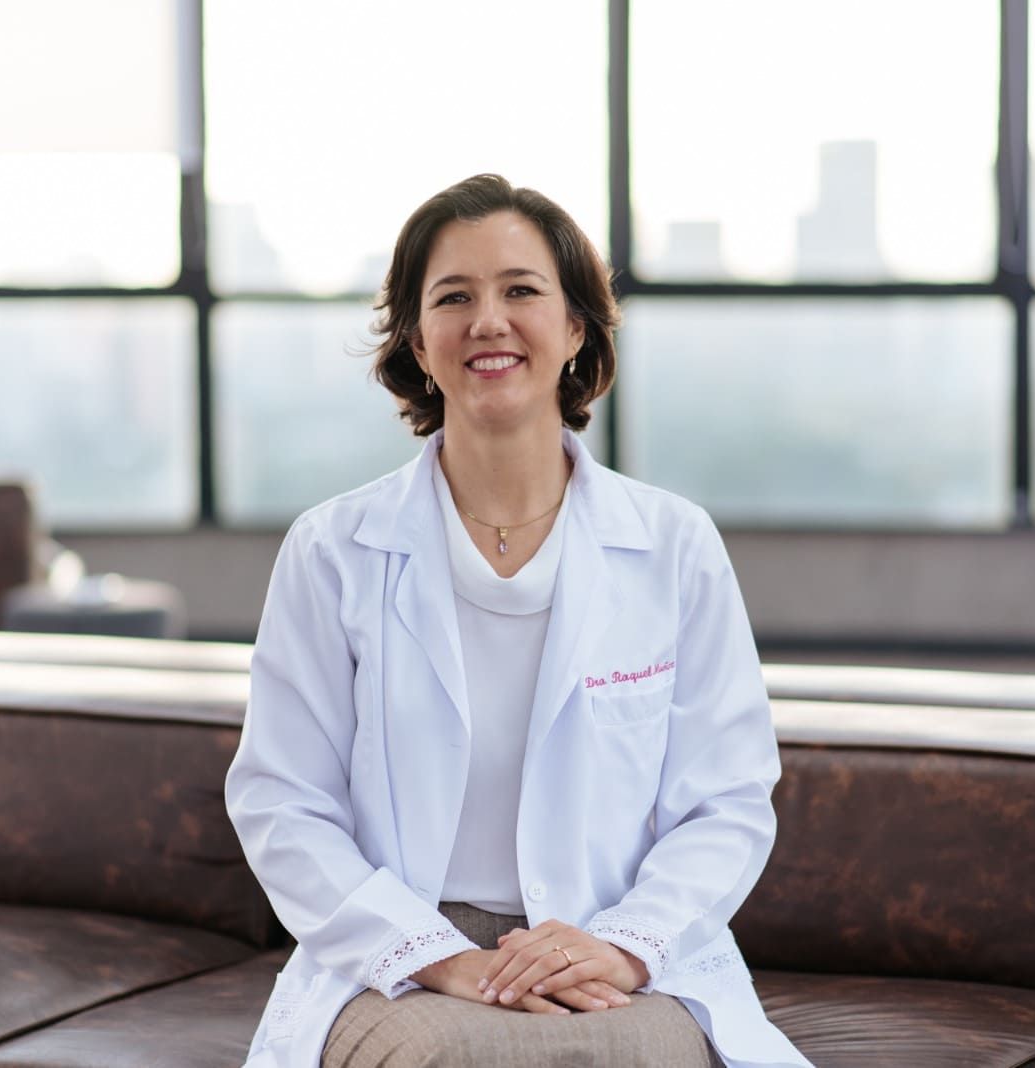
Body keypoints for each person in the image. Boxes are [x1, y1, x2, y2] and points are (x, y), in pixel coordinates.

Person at [226, 174, 811, 1068]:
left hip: (609, 948)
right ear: (418, 342)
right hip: (403, 950)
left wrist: (621, 943)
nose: (488, 321)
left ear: (575, 328)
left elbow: (726, 801)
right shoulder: (333, 550)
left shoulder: (672, 545)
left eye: (522, 291)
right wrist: (436, 956)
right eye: (453, 297)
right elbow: (282, 802)